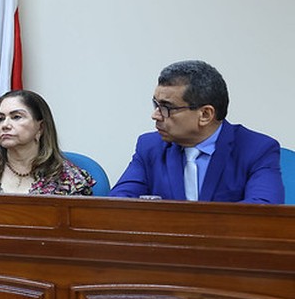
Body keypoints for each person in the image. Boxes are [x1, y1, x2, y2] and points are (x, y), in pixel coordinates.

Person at [110, 60, 283, 203]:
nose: (155, 115)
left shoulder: (257, 149)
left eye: (166, 107)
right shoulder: (149, 147)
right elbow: (119, 203)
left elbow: (262, 211)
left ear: (205, 115)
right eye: (156, 105)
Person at [0, 89, 94, 195]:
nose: (5, 125)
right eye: (0, 118)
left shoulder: (68, 179)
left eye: (16, 117)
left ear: (40, 127)